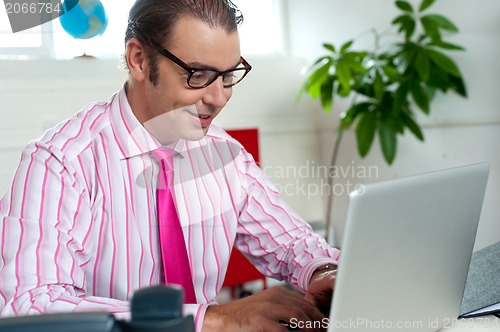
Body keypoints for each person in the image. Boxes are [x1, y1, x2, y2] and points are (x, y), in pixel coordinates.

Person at [0, 0, 340, 331]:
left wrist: (321, 270)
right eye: (198, 75)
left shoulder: (226, 157)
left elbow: (293, 241)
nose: (219, 98)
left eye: (228, 75)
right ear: (139, 60)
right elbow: (32, 304)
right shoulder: (61, 164)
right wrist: (213, 320)